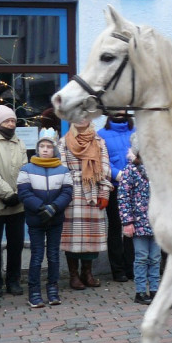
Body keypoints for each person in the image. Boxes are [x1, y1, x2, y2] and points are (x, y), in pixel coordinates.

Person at [17, 128, 73, 308]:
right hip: (36, 220)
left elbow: (67, 192)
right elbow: (24, 193)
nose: (45, 149)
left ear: (54, 149)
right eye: (42, 146)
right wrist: (41, 208)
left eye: (49, 146)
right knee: (37, 255)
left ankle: (52, 288)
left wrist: (54, 207)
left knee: (54, 255)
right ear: (37, 148)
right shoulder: (27, 169)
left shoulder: (63, 170)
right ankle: (34, 291)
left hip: (55, 219)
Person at [58, 119, 112, 288]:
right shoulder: (63, 141)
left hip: (93, 191)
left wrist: (104, 193)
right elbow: (61, 168)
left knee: (91, 235)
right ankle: (73, 275)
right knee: (72, 237)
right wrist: (65, 193)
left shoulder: (98, 141)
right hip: (72, 192)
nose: (81, 118)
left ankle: (87, 273)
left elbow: (105, 168)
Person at [0, 104, 27, 297]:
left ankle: (13, 280)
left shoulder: (20, 142)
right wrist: (7, 193)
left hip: (17, 204)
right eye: (7, 121)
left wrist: (18, 193)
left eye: (13, 121)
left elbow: (25, 169)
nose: (11, 124)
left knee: (16, 245)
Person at [118, 135, 160, 305]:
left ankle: (156, 290)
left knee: (156, 257)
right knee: (142, 256)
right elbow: (123, 197)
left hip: (157, 221)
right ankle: (141, 291)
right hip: (139, 222)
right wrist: (127, 221)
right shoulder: (130, 171)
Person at [98, 112, 135, 282]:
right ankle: (117, 269)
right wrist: (118, 175)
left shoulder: (136, 131)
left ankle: (132, 266)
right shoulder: (101, 135)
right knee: (115, 227)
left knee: (134, 228)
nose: (119, 111)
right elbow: (102, 161)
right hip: (115, 186)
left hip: (136, 187)